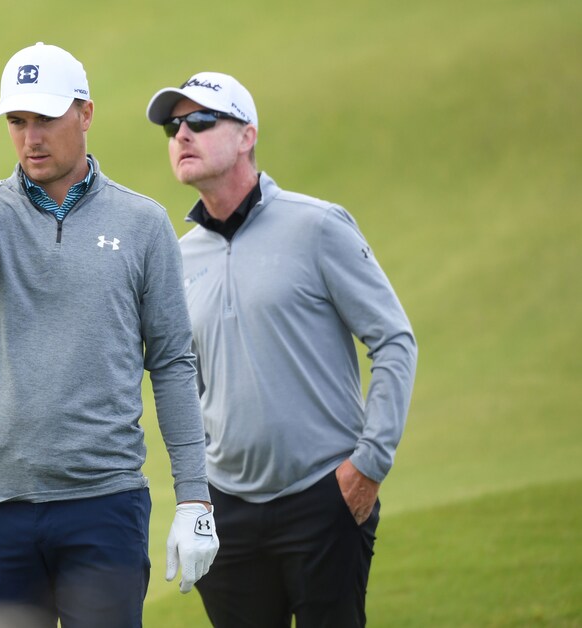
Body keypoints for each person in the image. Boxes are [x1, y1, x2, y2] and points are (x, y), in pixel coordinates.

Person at [0, 43, 219, 628]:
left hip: (103, 503)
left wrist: (194, 496)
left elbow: (171, 362)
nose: (30, 137)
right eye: (17, 121)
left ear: (85, 114)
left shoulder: (142, 224)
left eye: (45, 118)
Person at [145, 72, 418, 627]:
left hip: (323, 495)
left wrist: (370, 463)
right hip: (227, 511)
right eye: (174, 127)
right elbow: (182, 384)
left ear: (247, 135)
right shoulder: (178, 258)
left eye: (201, 121)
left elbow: (393, 340)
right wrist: (196, 498)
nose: (182, 135)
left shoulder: (317, 226)